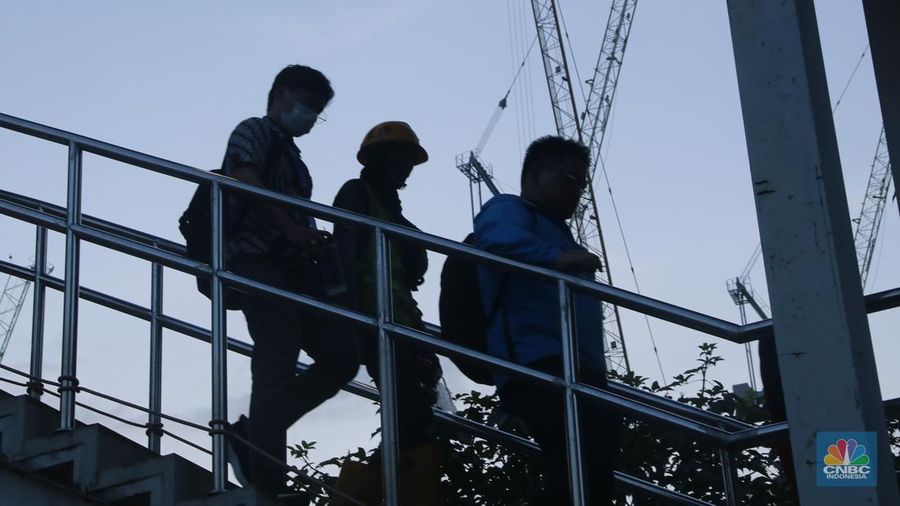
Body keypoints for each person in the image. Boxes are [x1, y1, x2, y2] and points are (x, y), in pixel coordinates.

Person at [222, 65, 360, 496]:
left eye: (317, 112)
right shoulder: (254, 131)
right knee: (275, 363)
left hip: (296, 270)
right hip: (256, 260)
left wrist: (309, 240)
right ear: (282, 94)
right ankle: (268, 477)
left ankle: (252, 435)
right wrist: (290, 229)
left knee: (341, 357)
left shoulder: (294, 158)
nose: (309, 116)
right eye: (307, 105)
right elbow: (244, 180)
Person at [473, 136, 622, 505]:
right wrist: (555, 258)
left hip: (575, 367)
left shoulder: (555, 230)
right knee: (580, 448)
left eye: (581, 184)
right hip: (534, 362)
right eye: (568, 179)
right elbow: (493, 238)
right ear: (535, 174)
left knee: (591, 451)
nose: (576, 192)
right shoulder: (508, 208)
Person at [332, 121, 443, 503]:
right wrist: (351, 318)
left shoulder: (394, 214)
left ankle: (365, 495)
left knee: (410, 418)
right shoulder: (357, 194)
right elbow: (343, 255)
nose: (404, 166)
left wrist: (422, 343)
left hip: (400, 324)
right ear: (377, 158)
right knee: (411, 416)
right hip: (372, 320)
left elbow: (403, 284)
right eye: (398, 156)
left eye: (409, 160)